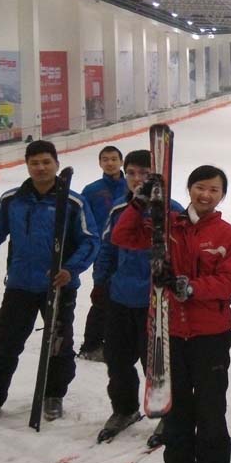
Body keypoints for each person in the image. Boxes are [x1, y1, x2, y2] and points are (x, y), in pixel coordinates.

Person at [112, 164, 231, 463]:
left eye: (214, 190)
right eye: (200, 187)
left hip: (210, 334)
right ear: (189, 189)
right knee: (177, 409)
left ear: (222, 195)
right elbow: (122, 236)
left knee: (211, 408)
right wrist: (138, 204)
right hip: (168, 331)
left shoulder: (227, 235)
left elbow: (228, 282)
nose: (206, 195)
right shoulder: (166, 225)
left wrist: (192, 287)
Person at [0, 140, 99, 427]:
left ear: (56, 164)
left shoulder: (72, 202)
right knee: (4, 345)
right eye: (34, 163)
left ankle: (53, 395)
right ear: (27, 165)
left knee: (59, 345)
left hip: (59, 287)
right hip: (20, 285)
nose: (40, 168)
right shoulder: (12, 200)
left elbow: (90, 241)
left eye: (46, 162)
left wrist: (70, 270)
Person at [93, 150, 184, 444]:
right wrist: (100, 283)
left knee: (155, 363)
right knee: (117, 360)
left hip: (154, 300)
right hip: (121, 297)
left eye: (144, 173)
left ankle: (168, 414)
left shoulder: (172, 210)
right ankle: (124, 409)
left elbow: (181, 254)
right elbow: (107, 248)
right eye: (131, 173)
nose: (136, 179)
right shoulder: (120, 209)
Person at [78, 145, 128, 362]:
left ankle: (120, 343)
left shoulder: (131, 186)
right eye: (105, 159)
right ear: (100, 163)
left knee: (126, 299)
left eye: (114, 159)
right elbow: (81, 220)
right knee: (102, 297)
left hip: (129, 252)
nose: (110, 163)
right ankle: (92, 345)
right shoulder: (91, 190)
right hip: (104, 251)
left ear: (121, 161)